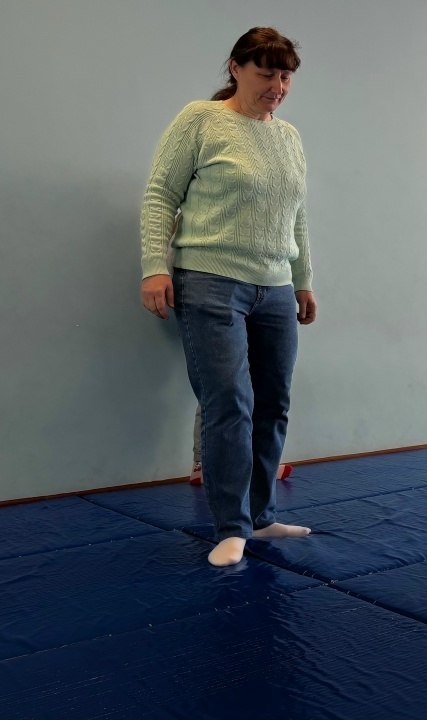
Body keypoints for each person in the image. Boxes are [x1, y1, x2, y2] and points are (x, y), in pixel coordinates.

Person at [140, 27, 316, 566]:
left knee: (273, 403)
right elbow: (160, 194)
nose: (277, 85)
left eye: (285, 75)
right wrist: (153, 267)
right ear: (236, 68)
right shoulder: (201, 119)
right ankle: (230, 526)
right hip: (210, 281)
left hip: (276, 288)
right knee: (229, 405)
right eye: (266, 73)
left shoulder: (288, 137)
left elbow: (298, 215)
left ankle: (261, 519)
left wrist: (303, 278)